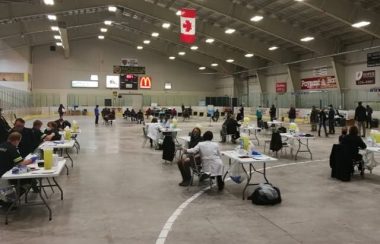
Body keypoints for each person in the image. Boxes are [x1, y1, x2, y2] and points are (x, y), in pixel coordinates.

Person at [0, 132, 38, 202]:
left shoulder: (2, 145)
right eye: (19, 141)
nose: (18, 143)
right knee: (30, 178)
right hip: (6, 174)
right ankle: (16, 198)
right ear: (16, 140)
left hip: (2, 172)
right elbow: (21, 163)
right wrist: (32, 159)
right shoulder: (11, 148)